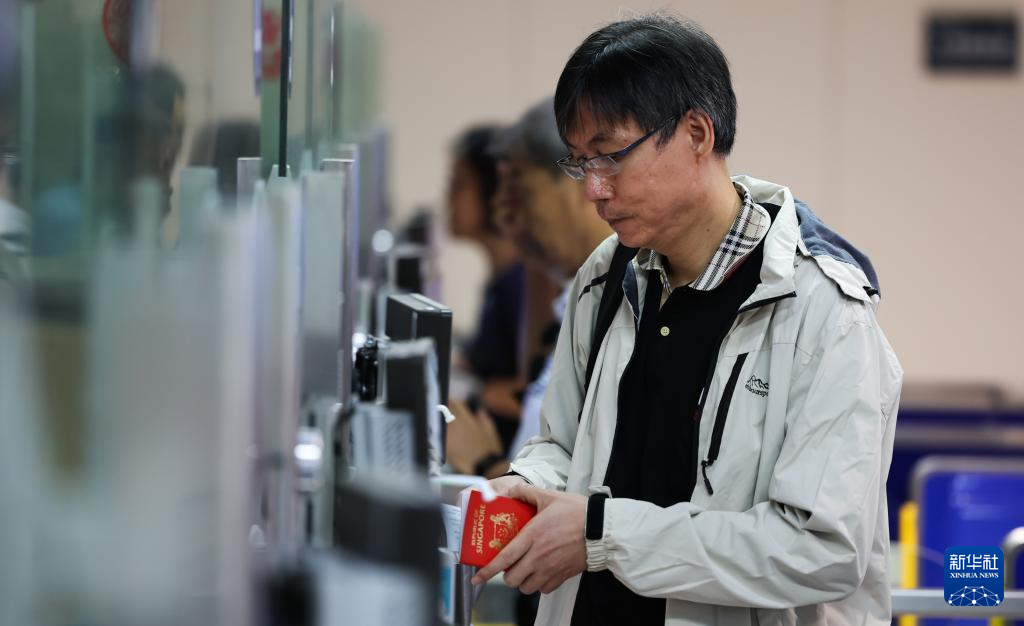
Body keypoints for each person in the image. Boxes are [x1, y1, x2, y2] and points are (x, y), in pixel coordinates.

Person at [474, 13, 903, 626]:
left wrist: (603, 534)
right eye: (579, 163)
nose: (593, 189)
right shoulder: (607, 275)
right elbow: (565, 443)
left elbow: (822, 550)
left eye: (609, 157)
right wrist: (526, 486)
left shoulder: (822, 311)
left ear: (696, 134)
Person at [445, 125, 526, 454]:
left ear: (495, 189)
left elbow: (530, 396)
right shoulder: (501, 280)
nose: (448, 199)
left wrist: (473, 392)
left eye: (458, 185)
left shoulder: (521, 285)